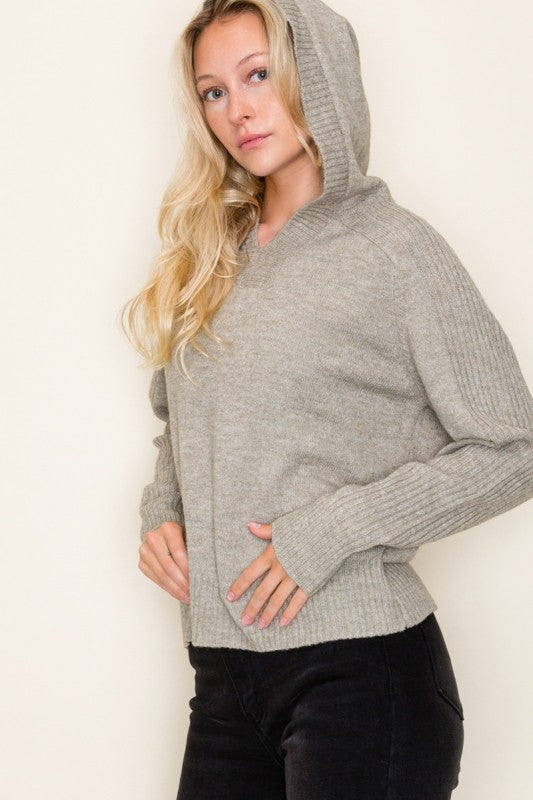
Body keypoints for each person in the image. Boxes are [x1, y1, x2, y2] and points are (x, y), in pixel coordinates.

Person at [120, 0, 533, 797]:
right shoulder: (213, 257)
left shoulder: (396, 251)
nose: (237, 110)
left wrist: (332, 529)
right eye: (213, 92)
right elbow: (184, 423)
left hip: (361, 677)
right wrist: (160, 509)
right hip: (223, 678)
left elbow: (513, 448)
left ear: (317, 73)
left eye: (258, 75)